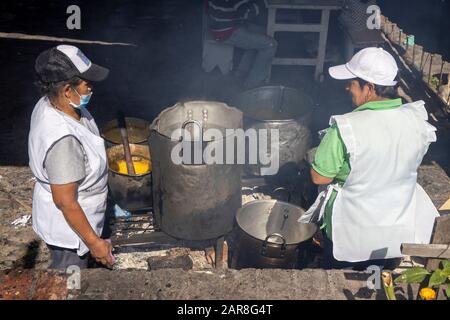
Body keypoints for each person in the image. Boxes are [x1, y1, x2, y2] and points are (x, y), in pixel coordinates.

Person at [301, 47, 440, 270]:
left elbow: (319, 177)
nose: (347, 87)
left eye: (352, 82)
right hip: (395, 229)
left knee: (338, 282)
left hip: (351, 231)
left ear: (370, 88)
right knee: (379, 280)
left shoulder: (345, 128)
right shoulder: (416, 119)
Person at [29, 45, 114, 269]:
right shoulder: (63, 141)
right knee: (71, 285)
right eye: (87, 83)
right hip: (71, 235)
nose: (92, 87)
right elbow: (65, 201)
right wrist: (94, 242)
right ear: (68, 90)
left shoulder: (54, 103)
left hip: (82, 216)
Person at [207, 0, 277, 88]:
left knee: (261, 34)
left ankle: (241, 75)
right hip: (226, 31)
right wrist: (263, 2)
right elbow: (247, 14)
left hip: (220, 25)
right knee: (270, 44)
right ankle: (252, 85)